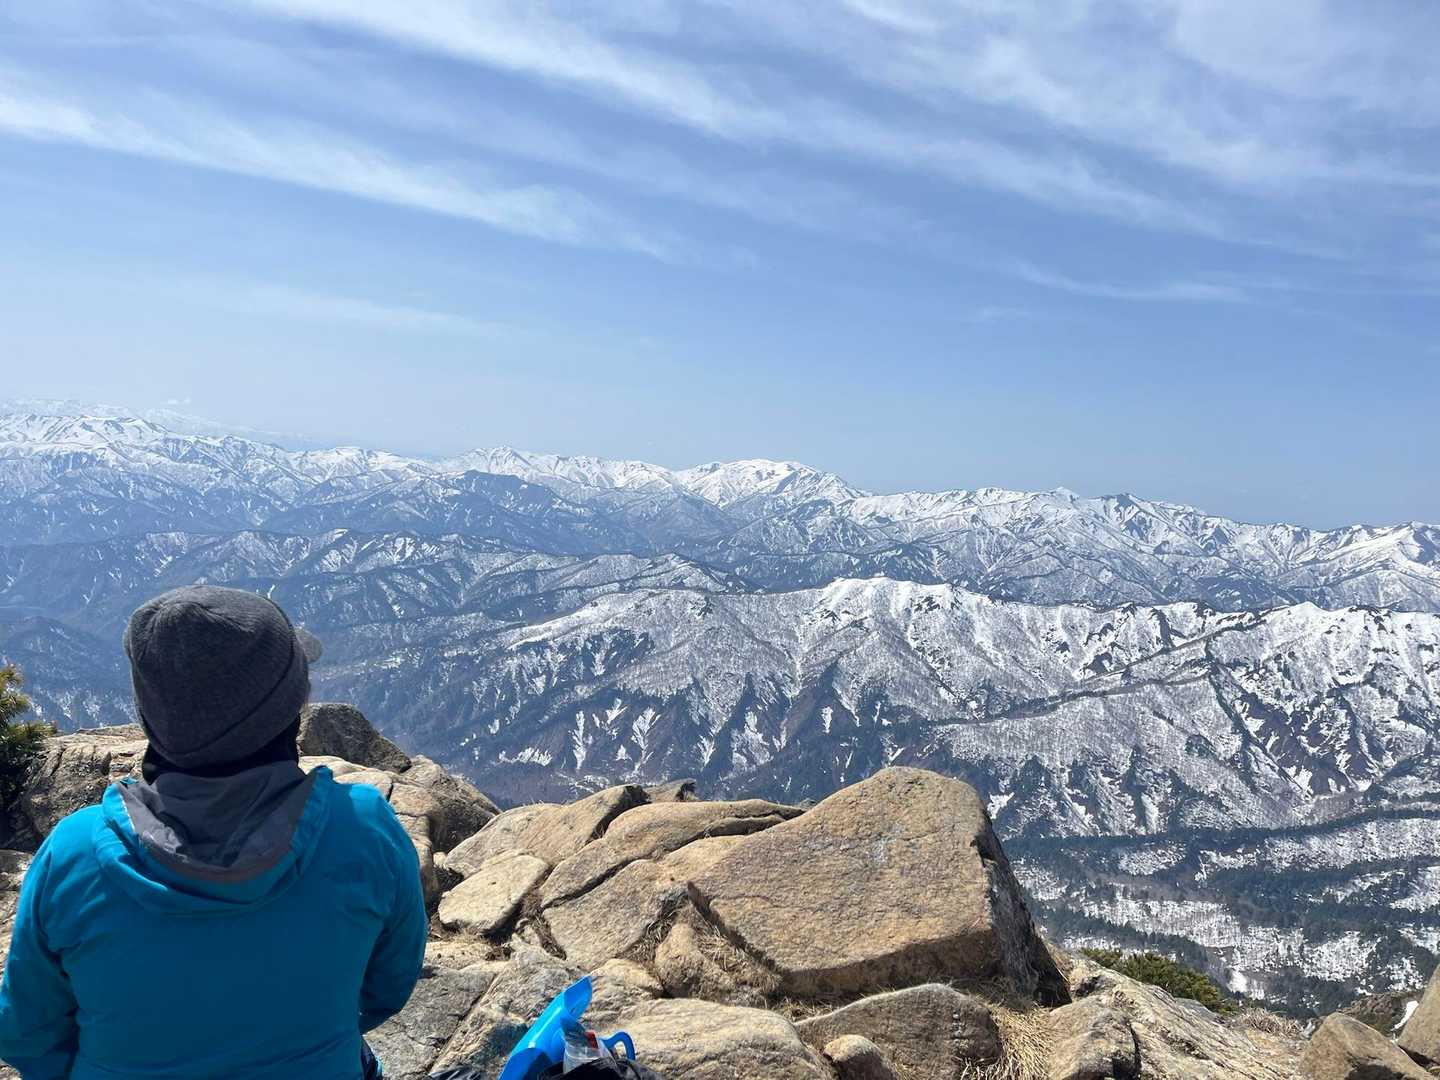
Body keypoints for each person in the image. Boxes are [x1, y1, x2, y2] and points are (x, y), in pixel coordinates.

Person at [0, 585, 427, 1079]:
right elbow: (388, 986)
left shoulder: (74, 853)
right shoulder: (363, 829)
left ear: (149, 712)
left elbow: (26, 1033)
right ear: (292, 709)